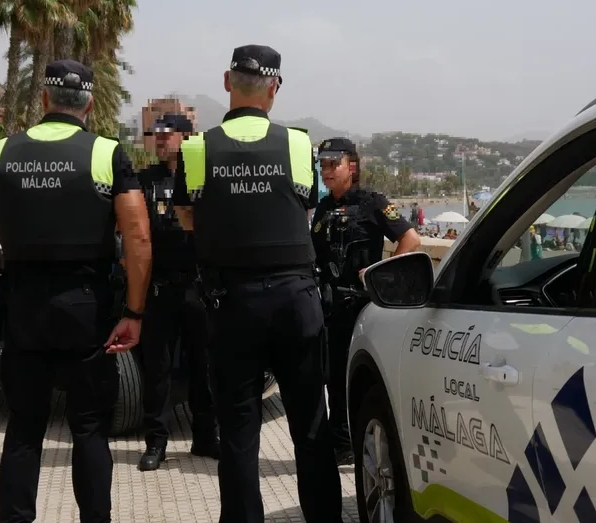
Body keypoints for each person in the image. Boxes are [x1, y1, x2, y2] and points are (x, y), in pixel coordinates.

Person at [0, 59, 152, 523]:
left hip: (24, 308)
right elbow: (138, 240)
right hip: (86, 309)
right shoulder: (106, 153)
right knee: (89, 429)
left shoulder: (2, 153)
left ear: (45, 100)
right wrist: (133, 310)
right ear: (89, 103)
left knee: (25, 429)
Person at [171, 44, 343, 523]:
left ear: (228, 82)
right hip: (295, 300)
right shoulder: (297, 144)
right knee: (310, 426)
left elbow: (188, 218)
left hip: (231, 304)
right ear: (275, 87)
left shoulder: (197, 147)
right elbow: (303, 211)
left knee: (240, 433)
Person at [311, 137, 420, 465]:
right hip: (328, 306)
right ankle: (340, 442)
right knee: (331, 376)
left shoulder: (372, 202)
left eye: (334, 164)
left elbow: (410, 238)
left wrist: (378, 273)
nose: (327, 171)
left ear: (351, 167)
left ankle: (358, 441)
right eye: (323, 164)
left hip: (360, 306)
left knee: (356, 376)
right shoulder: (324, 208)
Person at [135, 113, 219, 471]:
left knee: (205, 366)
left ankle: (205, 438)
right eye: (155, 134)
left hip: (197, 287)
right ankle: (156, 442)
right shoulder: (144, 181)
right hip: (160, 289)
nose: (160, 139)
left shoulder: (204, 178)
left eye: (166, 134)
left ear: (186, 138)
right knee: (157, 370)